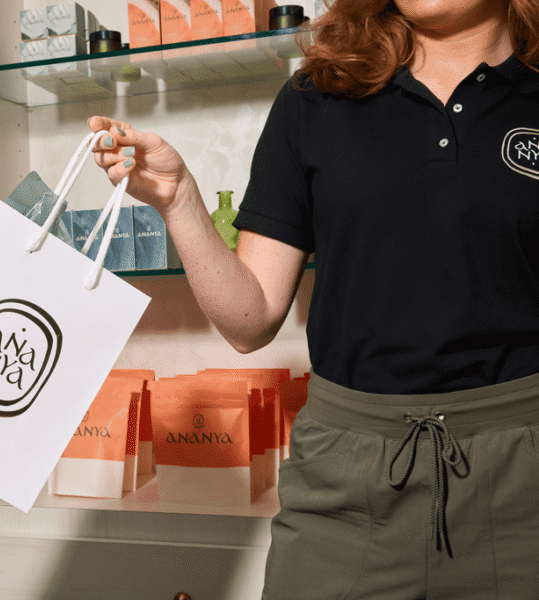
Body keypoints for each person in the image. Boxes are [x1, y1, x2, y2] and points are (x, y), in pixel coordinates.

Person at [89, 0, 539, 598]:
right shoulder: (315, 97)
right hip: (346, 478)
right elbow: (250, 320)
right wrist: (179, 200)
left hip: (524, 474)